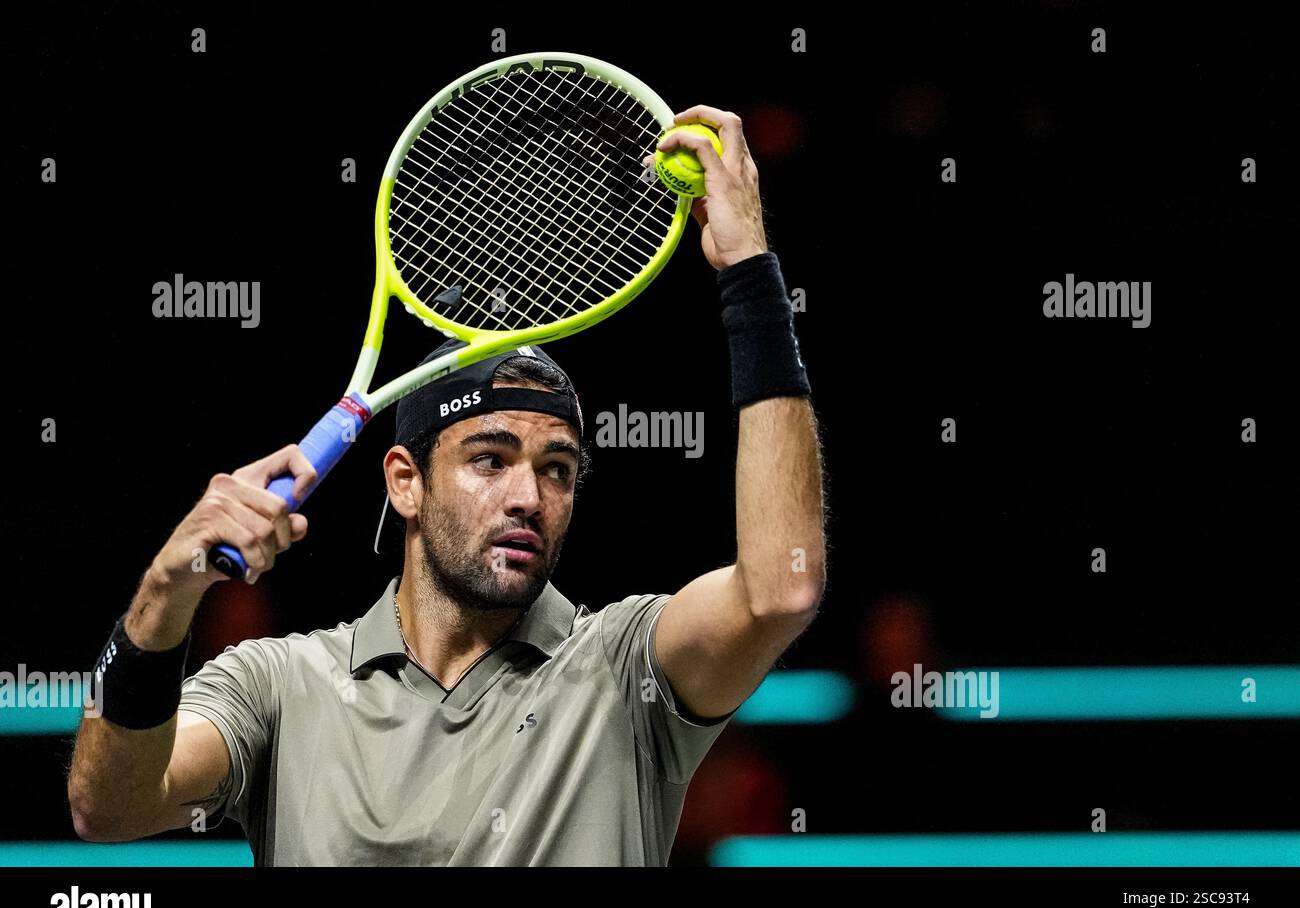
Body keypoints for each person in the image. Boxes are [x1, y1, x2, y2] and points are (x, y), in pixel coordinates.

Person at [67, 105, 826, 865]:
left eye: (557, 469)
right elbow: (108, 806)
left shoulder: (628, 671)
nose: (528, 496)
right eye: (490, 460)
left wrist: (751, 276)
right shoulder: (280, 687)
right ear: (405, 483)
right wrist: (165, 594)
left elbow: (780, 591)